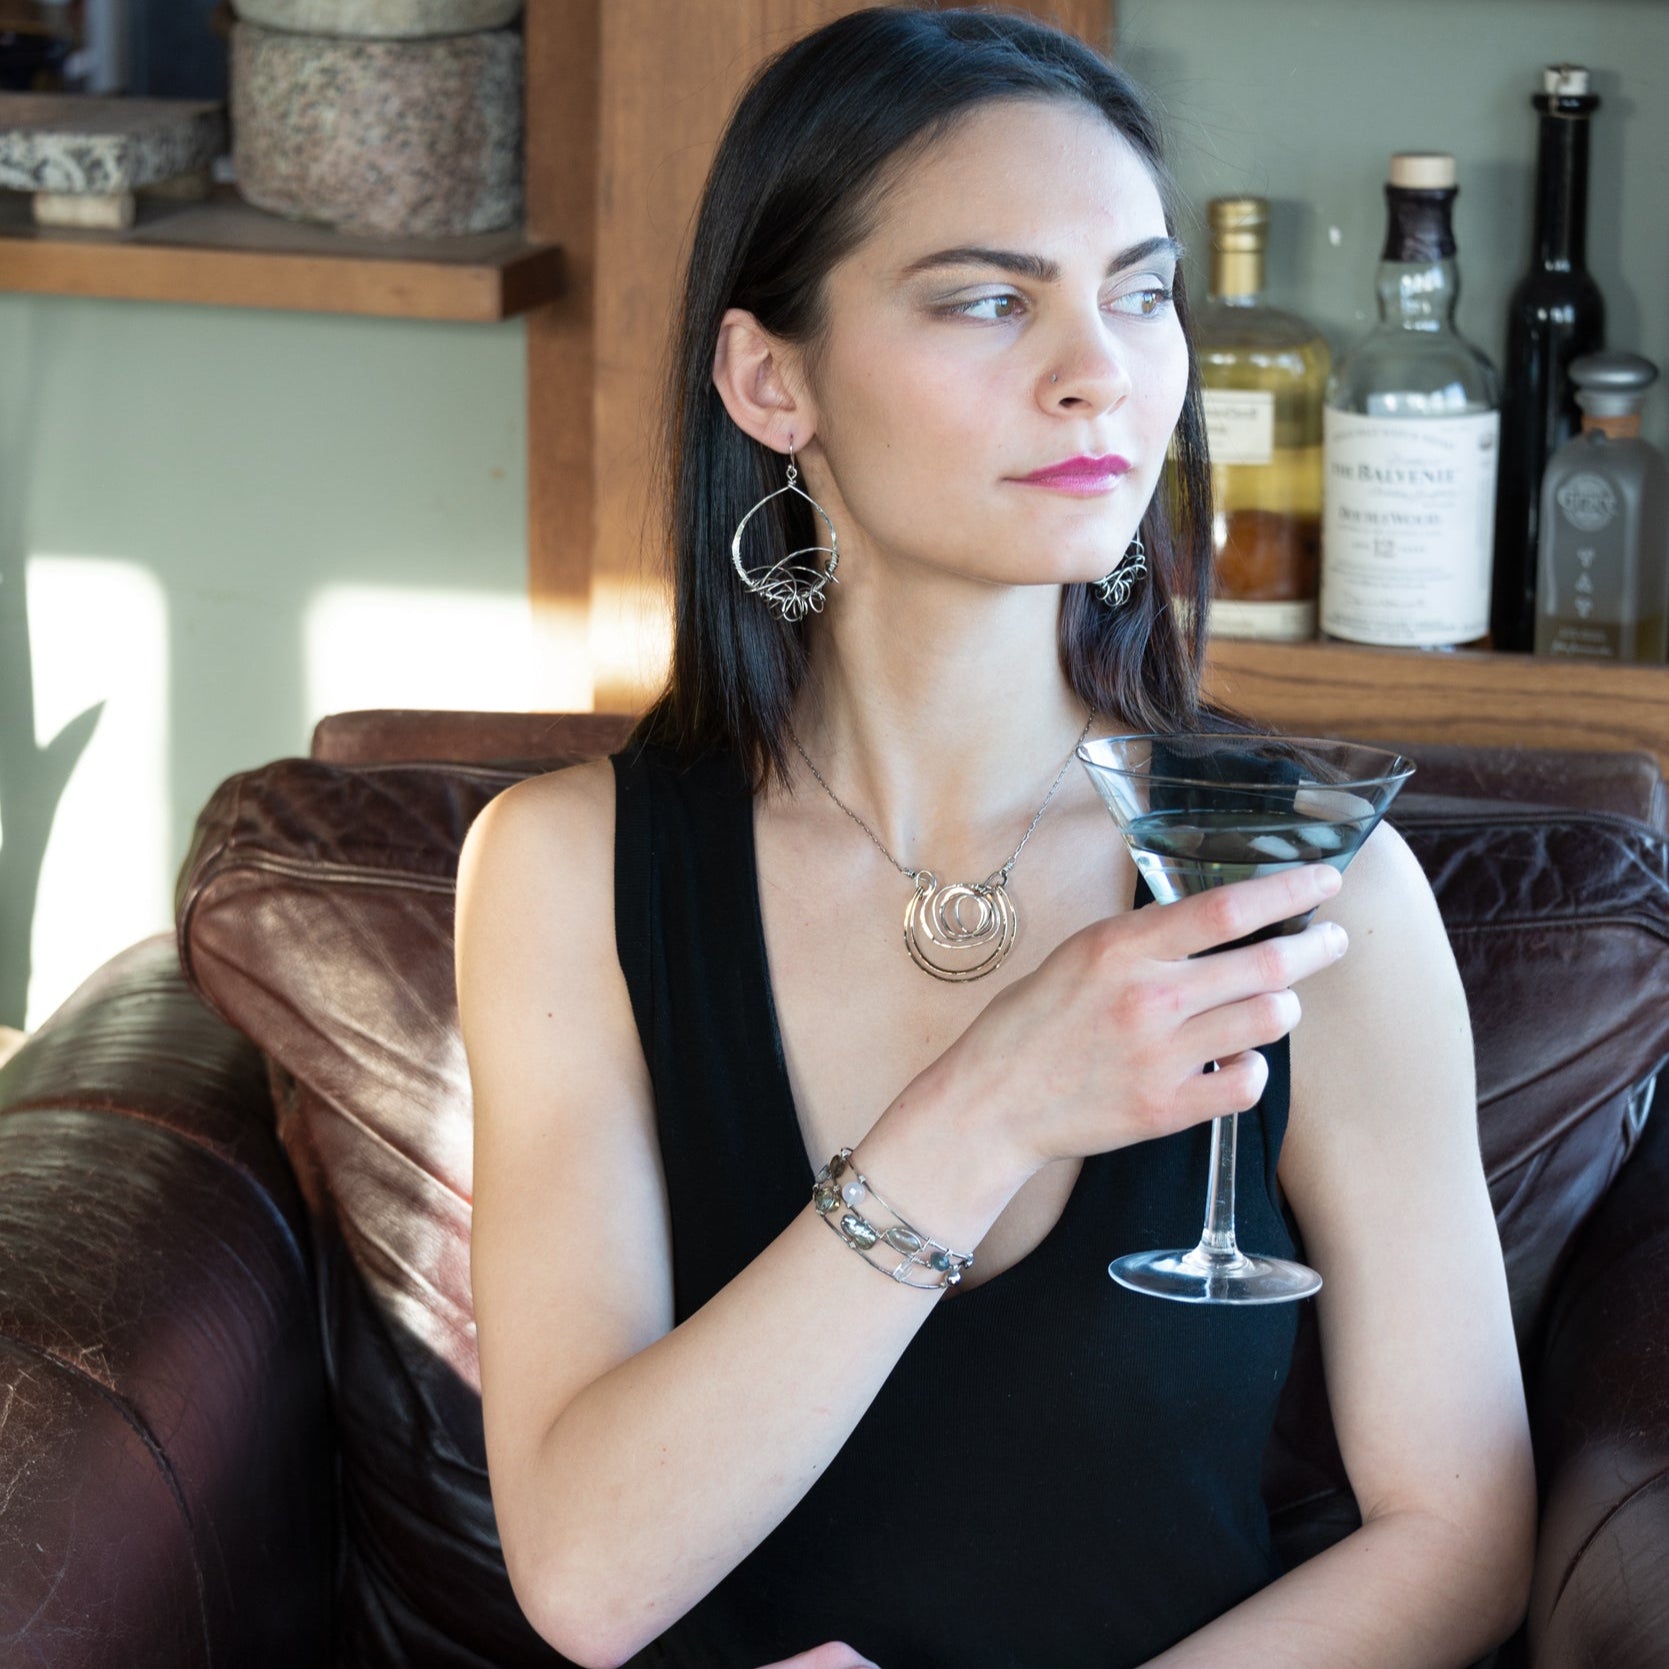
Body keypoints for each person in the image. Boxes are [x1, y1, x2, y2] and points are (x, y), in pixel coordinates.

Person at [455, 10, 1535, 1667]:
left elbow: (1457, 1535)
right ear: (771, 379)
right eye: (985, 298)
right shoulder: (560, 872)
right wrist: (986, 1107)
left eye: (1140, 288)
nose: (1099, 364)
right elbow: (591, 1577)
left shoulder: (1319, 894)